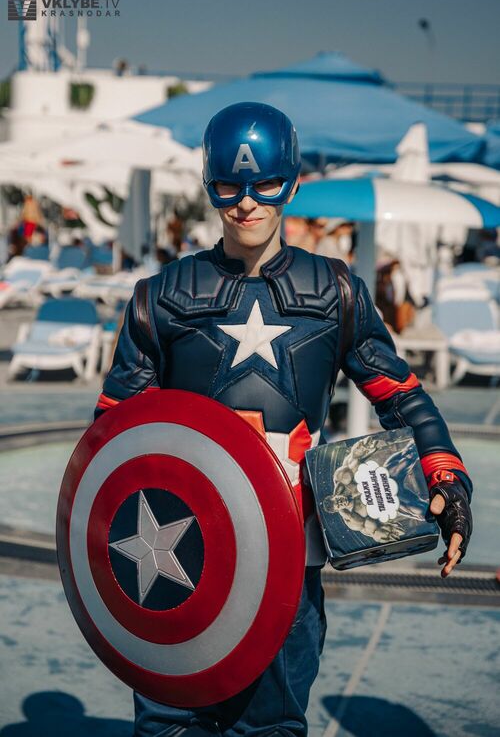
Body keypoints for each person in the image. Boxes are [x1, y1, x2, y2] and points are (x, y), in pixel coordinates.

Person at [95, 102, 473, 737]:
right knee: (168, 728)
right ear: (209, 185)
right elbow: (112, 442)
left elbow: (402, 397)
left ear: (291, 183)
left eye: (264, 184)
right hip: (175, 553)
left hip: (287, 561)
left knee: (270, 727)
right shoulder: (160, 298)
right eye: (229, 186)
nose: (246, 203)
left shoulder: (335, 293)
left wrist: (446, 477)